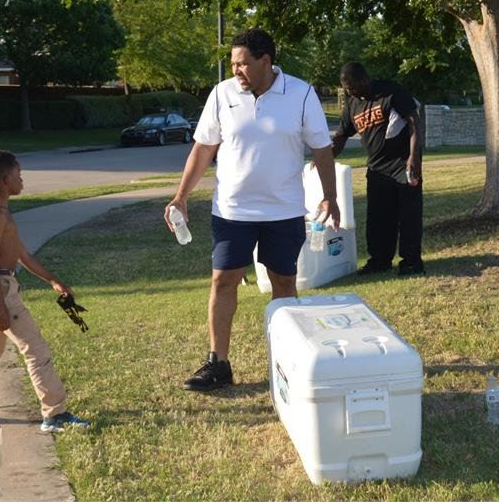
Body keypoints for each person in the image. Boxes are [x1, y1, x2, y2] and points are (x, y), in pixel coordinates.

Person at [165, 28, 340, 392]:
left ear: (266, 61)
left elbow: (321, 149)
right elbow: (203, 148)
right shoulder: (222, 94)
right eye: (232, 64)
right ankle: (218, 364)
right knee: (223, 280)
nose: (236, 71)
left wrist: (330, 196)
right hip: (232, 211)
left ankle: (287, 362)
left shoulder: (302, 94)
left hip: (283, 211)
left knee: (284, 284)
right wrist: (181, 195)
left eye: (243, 64)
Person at [0, 150, 91, 433]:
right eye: (19, 174)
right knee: (35, 348)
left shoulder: (4, 213)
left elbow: (21, 254)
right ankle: (55, 414)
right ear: (5, 179)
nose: (23, 179)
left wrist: (52, 280)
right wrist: (0, 307)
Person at [331, 62, 425, 276]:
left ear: (364, 78)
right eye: (346, 88)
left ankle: (411, 262)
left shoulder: (390, 91)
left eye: (353, 86)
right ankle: (380, 261)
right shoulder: (353, 104)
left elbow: (414, 121)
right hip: (377, 169)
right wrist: (325, 157)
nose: (350, 91)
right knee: (378, 219)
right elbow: (341, 136)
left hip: (402, 165)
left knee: (408, 216)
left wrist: (414, 157)